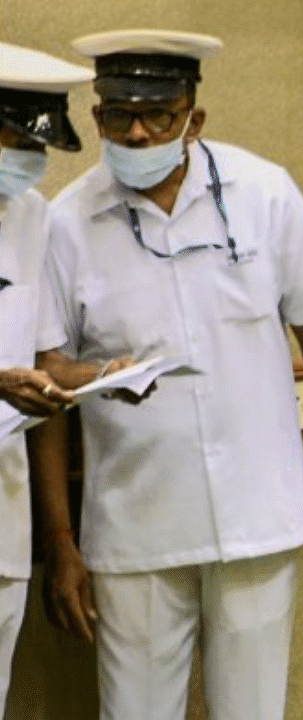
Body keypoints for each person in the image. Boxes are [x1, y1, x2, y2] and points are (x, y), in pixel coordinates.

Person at [34, 29, 303, 720]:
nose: (139, 131)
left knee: (253, 711)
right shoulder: (65, 224)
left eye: (159, 114)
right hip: (135, 525)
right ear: (96, 119)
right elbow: (47, 379)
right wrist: (60, 541)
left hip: (259, 515)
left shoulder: (263, 193)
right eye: (119, 114)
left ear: (194, 118)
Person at [0, 40, 99, 711]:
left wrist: (99, 375)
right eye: (12, 139)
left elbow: (40, 361)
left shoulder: (32, 215)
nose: (26, 160)